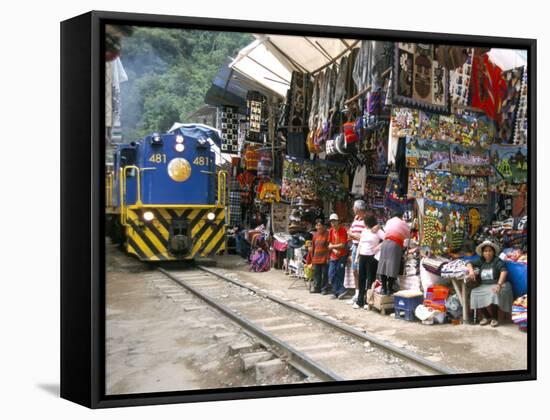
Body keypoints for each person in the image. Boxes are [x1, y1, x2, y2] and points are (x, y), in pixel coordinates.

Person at [466, 240, 513, 327]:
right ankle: (487, 317)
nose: (488, 253)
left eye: (490, 251)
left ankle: (495, 318)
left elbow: (504, 271)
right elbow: (469, 263)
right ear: (483, 253)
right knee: (474, 293)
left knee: (493, 293)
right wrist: (471, 271)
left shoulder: (497, 261)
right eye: (485, 251)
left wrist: (499, 285)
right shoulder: (481, 260)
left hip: (499, 284)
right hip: (484, 285)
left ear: (493, 252)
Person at [376, 210, 410, 295]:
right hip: (395, 245)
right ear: (400, 216)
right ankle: (389, 289)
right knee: (393, 267)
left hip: (385, 243)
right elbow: (408, 235)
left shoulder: (389, 221)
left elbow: (386, 231)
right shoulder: (402, 223)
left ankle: (384, 288)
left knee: (383, 266)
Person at [355, 214, 385, 308]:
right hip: (362, 256)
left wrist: (378, 248)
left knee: (370, 279)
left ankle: (368, 301)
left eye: (364, 221)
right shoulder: (364, 230)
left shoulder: (377, 231)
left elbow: (387, 239)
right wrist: (357, 257)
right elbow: (360, 244)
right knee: (361, 279)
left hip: (372, 257)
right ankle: (360, 301)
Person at [347, 200, 367, 305]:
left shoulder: (366, 220)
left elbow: (363, 237)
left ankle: (361, 295)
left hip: (361, 247)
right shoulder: (356, 218)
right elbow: (351, 232)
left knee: (360, 272)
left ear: (358, 209)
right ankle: (357, 292)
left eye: (354, 207)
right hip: (354, 247)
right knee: (354, 271)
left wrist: (351, 234)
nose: (353, 209)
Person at [327, 213, 349, 299]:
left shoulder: (343, 230)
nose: (333, 223)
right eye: (331, 221)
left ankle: (336, 292)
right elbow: (329, 243)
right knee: (331, 274)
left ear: (337, 221)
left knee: (340, 274)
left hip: (342, 255)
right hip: (333, 255)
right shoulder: (331, 231)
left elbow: (343, 244)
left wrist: (332, 247)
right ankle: (341, 290)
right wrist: (333, 249)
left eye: (334, 221)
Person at [309, 220, 330, 294]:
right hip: (316, 257)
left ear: (323, 226)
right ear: (316, 227)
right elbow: (313, 247)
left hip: (324, 257)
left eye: (320, 225)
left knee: (324, 274)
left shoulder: (327, 234)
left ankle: (324, 289)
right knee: (316, 274)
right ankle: (316, 288)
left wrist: (328, 257)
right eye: (317, 225)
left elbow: (328, 247)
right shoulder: (315, 235)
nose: (319, 227)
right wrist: (312, 259)